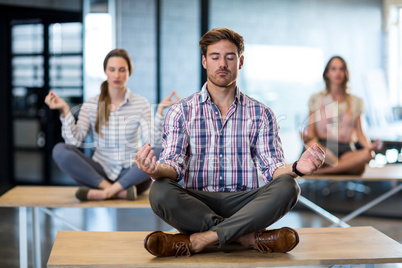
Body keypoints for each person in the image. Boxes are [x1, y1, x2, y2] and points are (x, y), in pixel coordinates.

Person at [134, 28, 325, 257]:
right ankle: (246, 237)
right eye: (215, 57)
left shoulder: (261, 113)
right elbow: (173, 165)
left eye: (230, 57)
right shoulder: (181, 111)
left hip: (244, 202)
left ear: (240, 61)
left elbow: (271, 168)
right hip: (197, 202)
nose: (222, 63)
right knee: (160, 190)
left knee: (289, 186)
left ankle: (201, 240)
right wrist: (155, 169)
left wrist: (296, 168)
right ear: (205, 61)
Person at [45, 48, 180, 201]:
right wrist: (65, 110)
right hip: (99, 173)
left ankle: (104, 193)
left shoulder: (140, 103)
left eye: (122, 70)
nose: (117, 75)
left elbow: (153, 143)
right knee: (60, 150)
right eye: (112, 69)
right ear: (106, 72)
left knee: (158, 150)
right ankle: (115, 191)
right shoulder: (91, 104)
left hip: (132, 176)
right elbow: (73, 141)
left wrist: (160, 112)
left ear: (129, 73)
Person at [302, 56, 381, 175]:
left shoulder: (356, 102)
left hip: (346, 151)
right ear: (327, 73)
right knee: (310, 146)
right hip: (323, 149)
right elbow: (311, 133)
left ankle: (322, 172)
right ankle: (344, 167)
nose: (338, 72)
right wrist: (305, 136)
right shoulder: (316, 99)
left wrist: (371, 146)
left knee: (368, 154)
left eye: (341, 69)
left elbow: (360, 134)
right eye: (333, 69)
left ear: (346, 73)